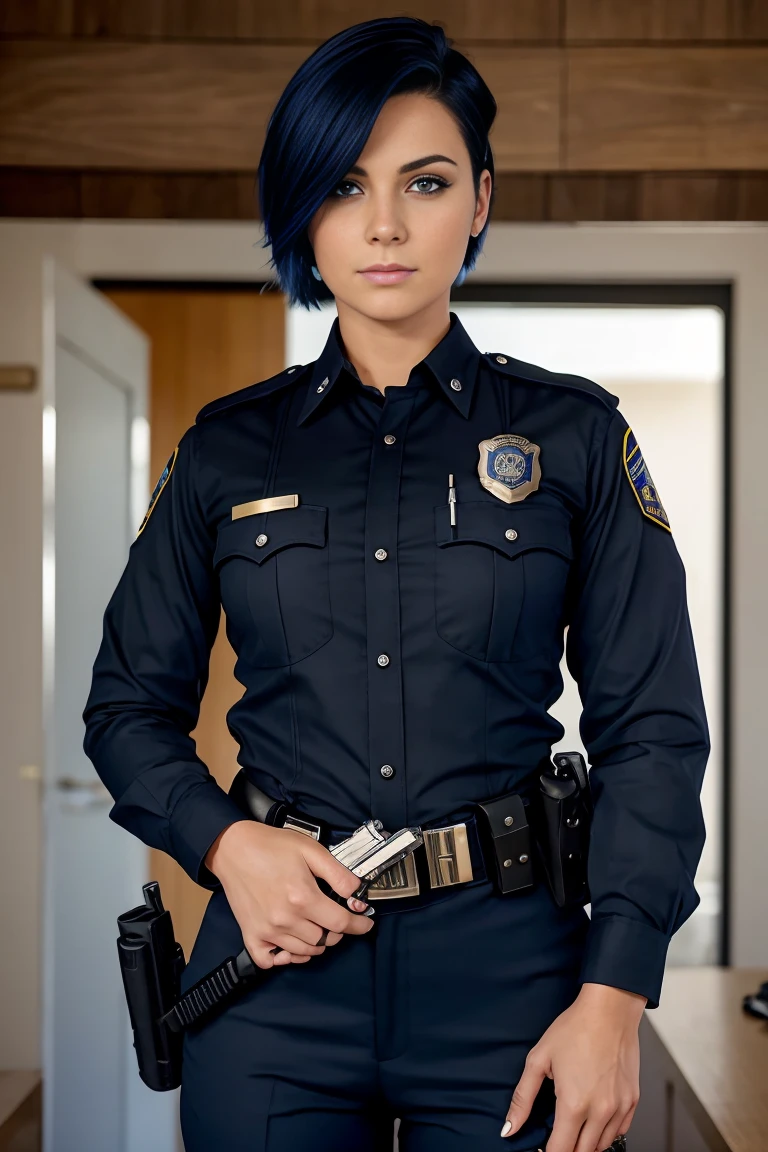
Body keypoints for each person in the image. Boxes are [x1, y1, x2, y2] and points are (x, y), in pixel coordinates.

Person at [82, 16, 710, 1152]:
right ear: (301, 210)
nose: (381, 225)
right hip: (275, 978)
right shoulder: (224, 454)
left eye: (423, 183)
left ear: (477, 202)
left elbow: (655, 733)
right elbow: (126, 711)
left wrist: (618, 993)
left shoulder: (573, 439)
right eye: (343, 185)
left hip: (514, 981)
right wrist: (228, 848)